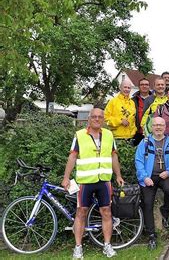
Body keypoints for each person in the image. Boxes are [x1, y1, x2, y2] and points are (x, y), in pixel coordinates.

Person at [61, 108, 125, 259]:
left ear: (103, 119)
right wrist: (66, 177)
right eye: (94, 117)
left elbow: (114, 156)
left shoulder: (109, 135)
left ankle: (107, 246)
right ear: (89, 119)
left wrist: (118, 175)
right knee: (81, 213)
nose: (97, 119)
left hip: (104, 180)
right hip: (85, 181)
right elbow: (72, 157)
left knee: (106, 212)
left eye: (100, 117)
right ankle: (78, 247)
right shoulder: (80, 135)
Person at [135, 117, 169, 249]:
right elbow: (139, 161)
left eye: (161, 125)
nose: (158, 127)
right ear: (151, 127)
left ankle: (165, 211)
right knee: (147, 203)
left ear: (165, 127)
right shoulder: (145, 142)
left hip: (165, 175)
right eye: (155, 125)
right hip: (149, 176)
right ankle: (151, 234)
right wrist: (144, 177)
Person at [131, 78, 153, 145]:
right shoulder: (133, 100)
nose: (144, 86)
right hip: (136, 133)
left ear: (149, 86)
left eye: (146, 84)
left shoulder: (154, 99)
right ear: (139, 87)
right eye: (142, 84)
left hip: (151, 132)